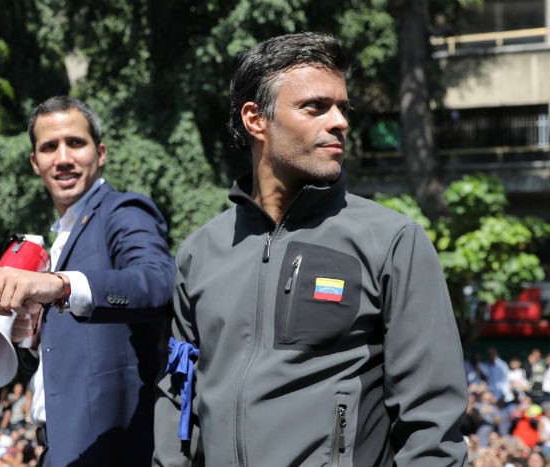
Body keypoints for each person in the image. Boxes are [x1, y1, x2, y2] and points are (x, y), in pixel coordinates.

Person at [152, 32, 468, 466]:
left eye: (343, 108)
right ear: (255, 119)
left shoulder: (392, 242)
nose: (339, 121)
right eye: (315, 107)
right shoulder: (199, 253)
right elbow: (178, 401)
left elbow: (432, 421)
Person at [0, 96, 175, 466]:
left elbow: (158, 282)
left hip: (112, 450)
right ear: (35, 162)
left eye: (75, 143)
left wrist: (61, 284)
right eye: (49, 147)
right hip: (58, 450)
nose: (63, 158)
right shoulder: (59, 238)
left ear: (101, 153)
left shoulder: (124, 211)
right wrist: (32, 336)